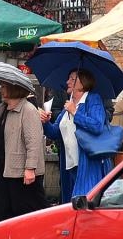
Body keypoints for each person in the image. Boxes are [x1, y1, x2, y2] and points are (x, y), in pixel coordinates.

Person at [41, 69, 112, 203]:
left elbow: (97, 126)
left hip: (89, 164)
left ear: (82, 83)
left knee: (85, 203)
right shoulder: (69, 105)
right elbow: (55, 132)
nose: (67, 82)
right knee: (71, 204)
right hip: (70, 165)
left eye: (72, 79)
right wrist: (45, 122)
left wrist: (75, 112)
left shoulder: (93, 99)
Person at [0, 81, 47, 225]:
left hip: (22, 174)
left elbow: (33, 141)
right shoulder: (2, 109)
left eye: (4, 87)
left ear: (14, 88)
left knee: (29, 214)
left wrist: (30, 168)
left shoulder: (28, 110)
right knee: (0, 214)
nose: (0, 90)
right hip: (5, 170)